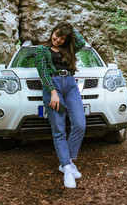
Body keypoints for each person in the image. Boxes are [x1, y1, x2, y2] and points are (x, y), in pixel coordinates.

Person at [35, 21, 86, 188]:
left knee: (79, 124)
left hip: (70, 84)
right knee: (58, 129)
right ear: (52, 32)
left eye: (62, 38)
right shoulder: (42, 50)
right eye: (56, 35)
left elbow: (81, 42)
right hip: (53, 86)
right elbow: (43, 72)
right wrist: (53, 93)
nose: (57, 40)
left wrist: (69, 27)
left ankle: (68, 162)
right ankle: (66, 167)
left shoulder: (67, 50)